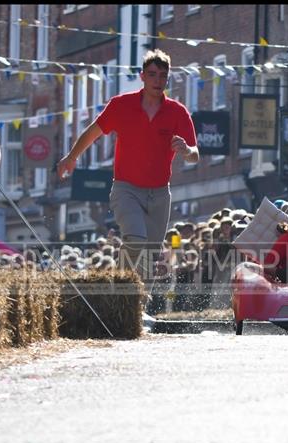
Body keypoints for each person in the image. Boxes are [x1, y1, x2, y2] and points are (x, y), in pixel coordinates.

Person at [57, 49, 199, 287]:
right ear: (142, 76)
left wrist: (186, 150)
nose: (158, 80)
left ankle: (134, 306)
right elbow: (92, 132)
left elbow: (195, 155)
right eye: (152, 74)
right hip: (126, 189)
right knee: (135, 240)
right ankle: (119, 290)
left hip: (160, 193)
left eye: (163, 76)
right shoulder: (121, 105)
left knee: (148, 257)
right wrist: (71, 157)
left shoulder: (177, 112)